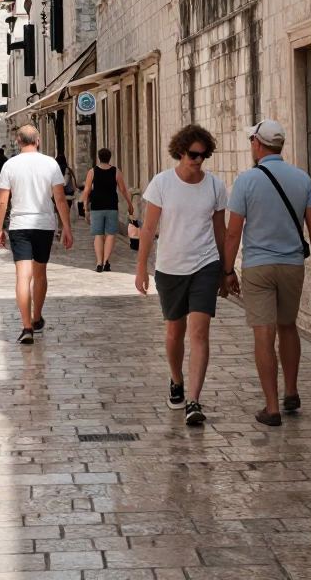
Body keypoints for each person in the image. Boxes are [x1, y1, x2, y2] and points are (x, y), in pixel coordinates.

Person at [224, 120, 311, 427]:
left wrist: (227, 271)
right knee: (288, 326)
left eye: (251, 142)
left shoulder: (246, 181)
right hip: (292, 265)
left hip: (258, 265)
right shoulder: (302, 179)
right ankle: (291, 391)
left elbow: (233, 234)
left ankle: (271, 408)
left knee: (264, 334)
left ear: (257, 143)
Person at [136, 125, 227, 426]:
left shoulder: (214, 187)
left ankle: (194, 401)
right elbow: (148, 229)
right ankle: (177, 380)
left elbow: (220, 231)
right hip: (170, 268)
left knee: (199, 332)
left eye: (203, 155)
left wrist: (226, 270)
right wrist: (140, 268)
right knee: (175, 333)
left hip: (205, 264)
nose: (198, 160)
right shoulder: (162, 184)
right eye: (193, 154)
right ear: (180, 151)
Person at [0, 124, 73, 344]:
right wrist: (66, 227)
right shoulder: (50, 164)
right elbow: (59, 198)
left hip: (20, 225)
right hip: (44, 224)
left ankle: (26, 326)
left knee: (22, 276)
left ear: (18, 141)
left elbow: (2, 201)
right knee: (40, 273)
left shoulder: (10, 165)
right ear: (38, 140)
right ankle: (37, 317)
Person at [80, 148, 134, 272]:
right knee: (110, 234)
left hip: (97, 207)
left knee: (98, 235)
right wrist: (130, 204)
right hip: (111, 206)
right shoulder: (116, 172)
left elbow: (87, 190)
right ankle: (106, 262)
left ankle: (99, 263)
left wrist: (85, 205)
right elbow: (123, 190)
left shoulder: (92, 172)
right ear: (110, 157)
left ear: (99, 157)